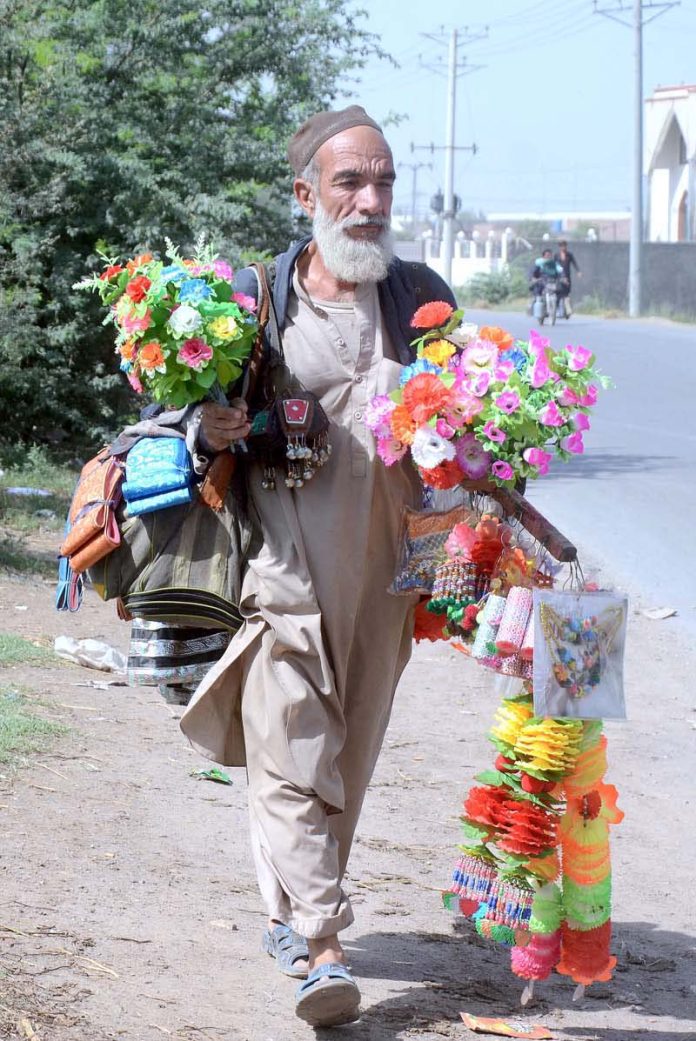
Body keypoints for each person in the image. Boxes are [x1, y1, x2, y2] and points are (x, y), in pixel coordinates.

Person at [179, 105, 455, 1027]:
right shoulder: (254, 300)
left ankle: (287, 905)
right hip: (283, 555)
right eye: (350, 182)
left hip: (387, 567)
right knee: (294, 736)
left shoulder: (421, 296)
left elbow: (467, 430)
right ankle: (324, 948)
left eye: (383, 182)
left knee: (350, 751)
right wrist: (210, 424)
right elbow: (195, 412)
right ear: (307, 195)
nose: (371, 200)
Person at [554, 239, 581, 316]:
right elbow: (554, 265)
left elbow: (574, 263)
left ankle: (567, 310)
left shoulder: (569, 255)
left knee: (566, 293)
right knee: (558, 293)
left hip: (567, 275)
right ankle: (556, 309)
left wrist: (578, 271)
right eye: (562, 246)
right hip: (559, 276)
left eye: (565, 246)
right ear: (560, 247)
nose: (563, 247)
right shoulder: (557, 255)